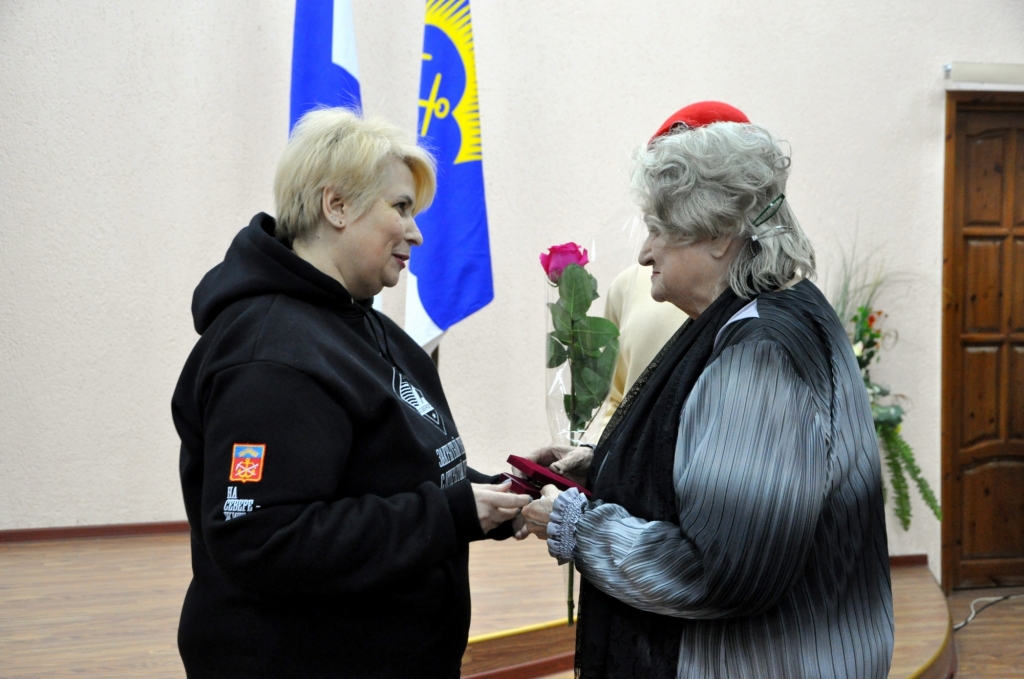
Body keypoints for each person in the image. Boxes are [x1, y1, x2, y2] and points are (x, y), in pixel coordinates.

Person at [521, 120, 894, 678]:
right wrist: (604, 469)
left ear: (720, 234)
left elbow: (723, 569)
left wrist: (578, 526)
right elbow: (724, 482)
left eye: (657, 228)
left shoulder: (761, 354)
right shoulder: (770, 311)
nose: (644, 253)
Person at [171, 108, 530, 679]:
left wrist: (506, 492)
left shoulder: (362, 325)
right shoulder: (271, 356)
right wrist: (452, 513)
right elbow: (261, 537)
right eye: (401, 208)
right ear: (336, 206)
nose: (416, 233)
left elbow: (395, 468)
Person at [593, 102, 749, 437]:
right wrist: (594, 456)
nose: (645, 255)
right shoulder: (628, 287)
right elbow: (616, 400)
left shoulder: (775, 303)